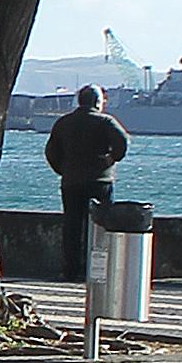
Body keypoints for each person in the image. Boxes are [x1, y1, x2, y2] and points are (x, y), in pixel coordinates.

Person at [42, 85, 130, 281]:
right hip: (100, 181)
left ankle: (71, 270)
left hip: (71, 182)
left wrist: (63, 170)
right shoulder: (106, 121)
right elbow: (122, 143)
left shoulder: (64, 122)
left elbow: (51, 151)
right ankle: (99, 269)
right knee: (100, 226)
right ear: (98, 102)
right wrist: (111, 159)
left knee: (72, 225)